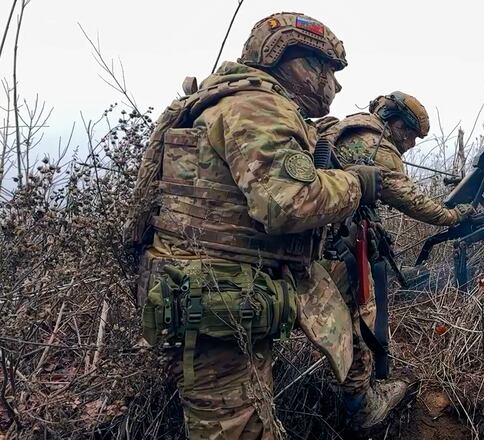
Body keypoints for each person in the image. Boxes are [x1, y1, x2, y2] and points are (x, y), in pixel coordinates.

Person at [128, 12, 381, 439]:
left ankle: (361, 401)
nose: (335, 86)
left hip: (208, 293)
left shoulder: (224, 99)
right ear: (299, 64)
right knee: (237, 427)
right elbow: (288, 203)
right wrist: (355, 184)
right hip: (216, 299)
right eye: (330, 71)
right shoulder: (258, 106)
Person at [317, 92, 474, 430]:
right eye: (411, 135)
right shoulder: (378, 148)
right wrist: (454, 214)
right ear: (396, 123)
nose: (412, 144)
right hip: (337, 249)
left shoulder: (345, 128)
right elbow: (412, 201)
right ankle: (361, 405)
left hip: (314, 244)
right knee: (359, 319)